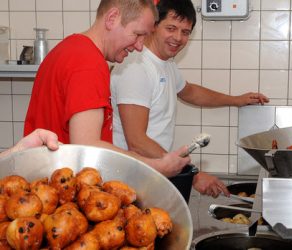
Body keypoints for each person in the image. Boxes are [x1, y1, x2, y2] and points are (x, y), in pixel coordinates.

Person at [110, 0, 269, 197]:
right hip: (128, 182)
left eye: (185, 32)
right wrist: (192, 173)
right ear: (153, 26)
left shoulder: (165, 64)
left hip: (151, 175)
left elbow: (190, 92)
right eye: (171, 28)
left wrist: (236, 100)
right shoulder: (136, 67)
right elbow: (137, 141)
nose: (178, 37)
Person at [23, 0, 189, 178]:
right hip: (62, 187)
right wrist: (154, 167)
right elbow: (87, 145)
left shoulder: (68, 48)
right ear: (112, 19)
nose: (140, 46)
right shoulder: (89, 64)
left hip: (43, 178)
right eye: (138, 34)